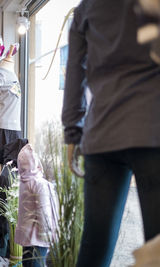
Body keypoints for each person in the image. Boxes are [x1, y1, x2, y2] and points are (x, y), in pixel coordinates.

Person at [62, 0, 160, 266]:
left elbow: (74, 74)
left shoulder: (86, 8)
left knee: (94, 247)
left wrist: (73, 134)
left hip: (102, 135)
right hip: (151, 130)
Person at [15, 144, 58, 267]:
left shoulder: (24, 182)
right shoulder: (40, 184)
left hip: (27, 239)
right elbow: (44, 212)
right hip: (38, 239)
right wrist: (48, 235)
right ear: (36, 164)